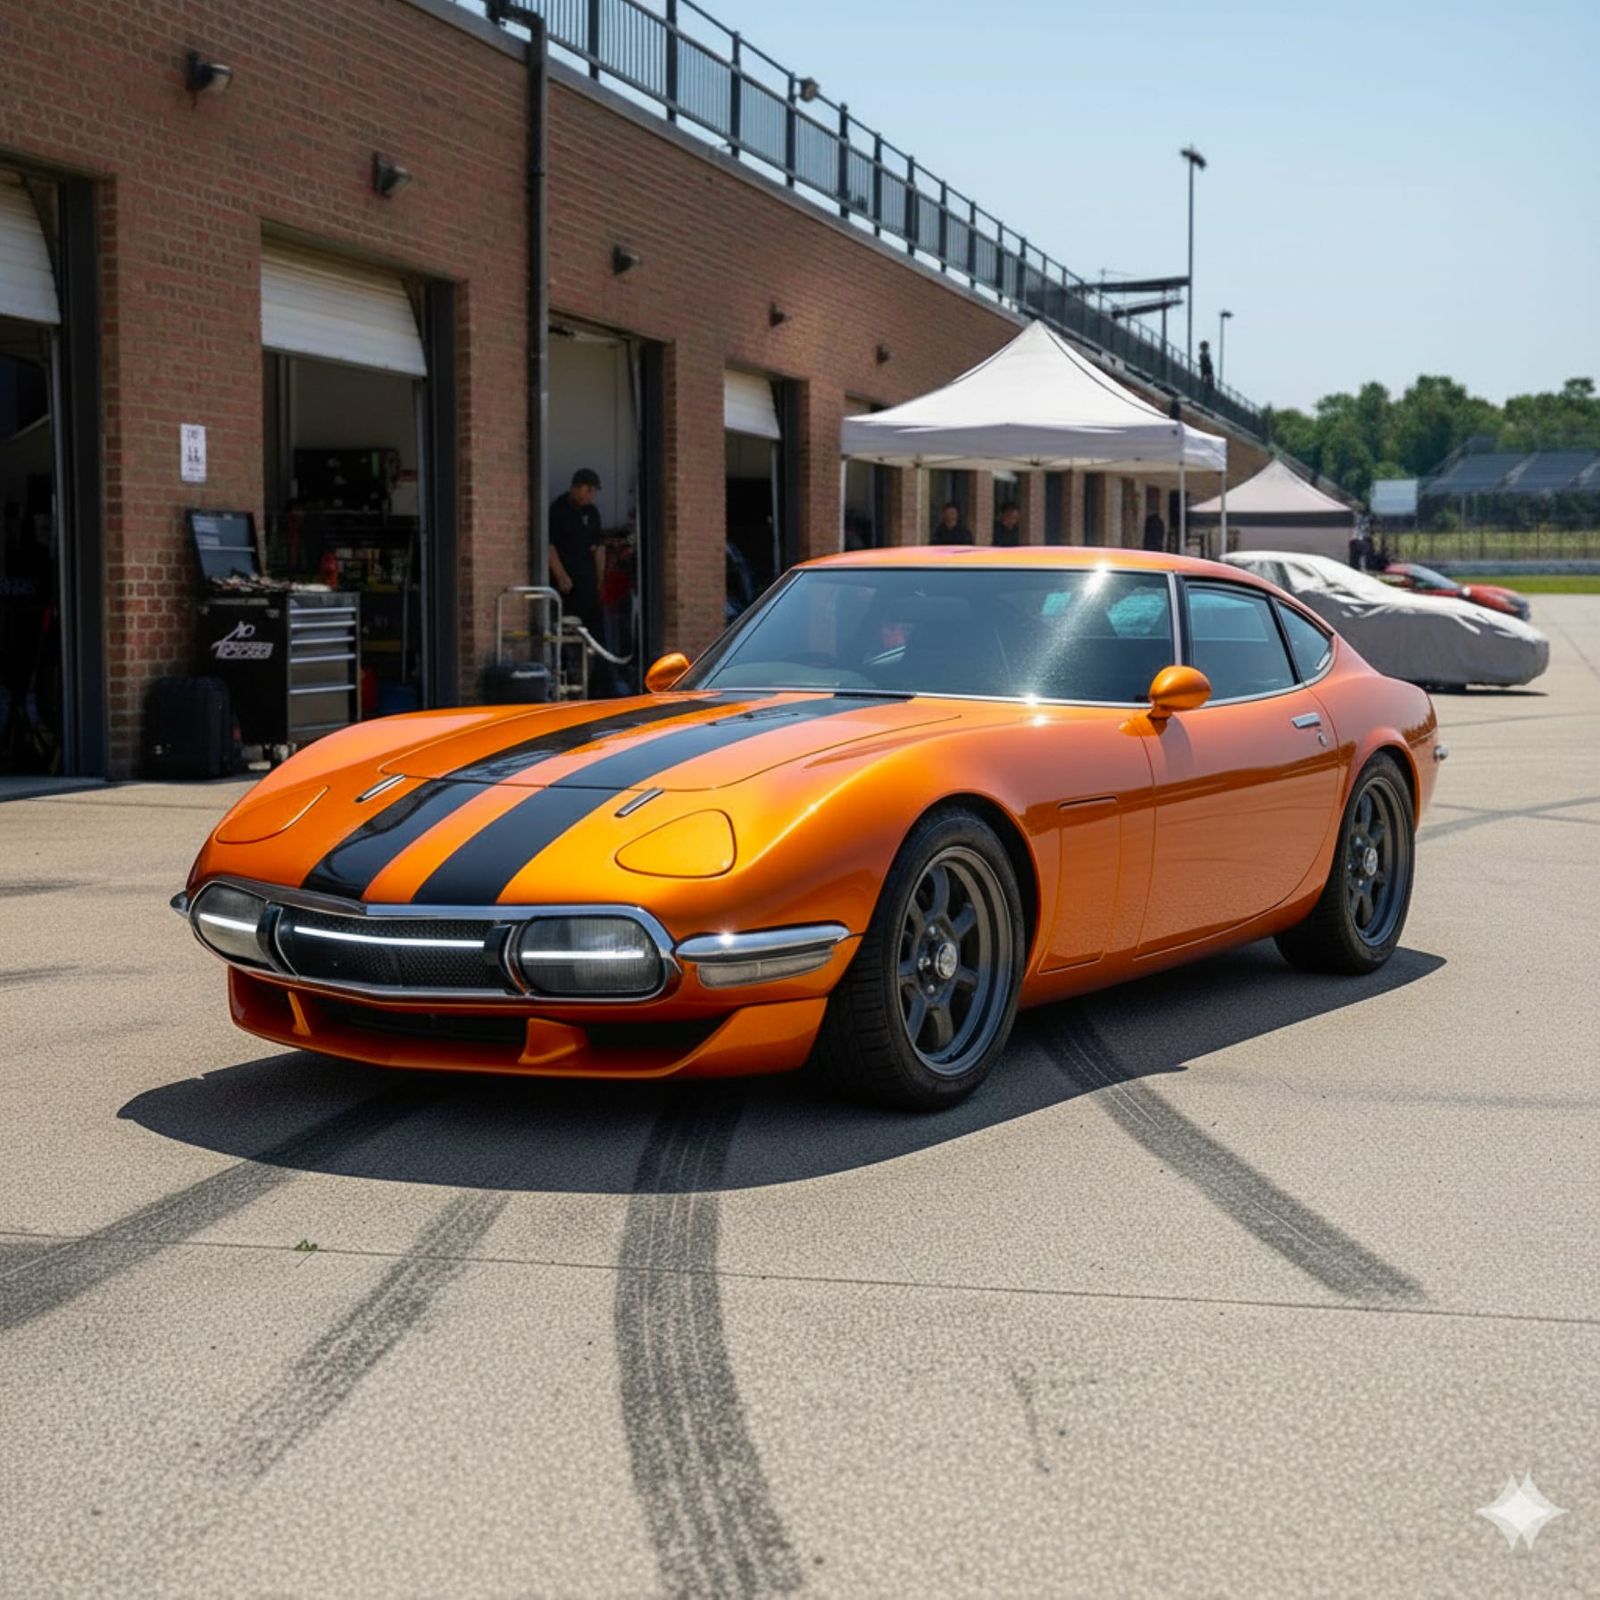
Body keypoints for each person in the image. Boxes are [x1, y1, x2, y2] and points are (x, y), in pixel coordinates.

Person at [549, 467, 606, 638]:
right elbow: (549, 546)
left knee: (594, 629)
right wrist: (561, 575)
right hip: (567, 583)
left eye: (594, 491)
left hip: (588, 581)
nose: (591, 495)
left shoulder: (592, 512)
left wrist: (600, 577)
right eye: (589, 490)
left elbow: (598, 546)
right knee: (567, 628)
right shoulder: (558, 509)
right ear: (578, 487)